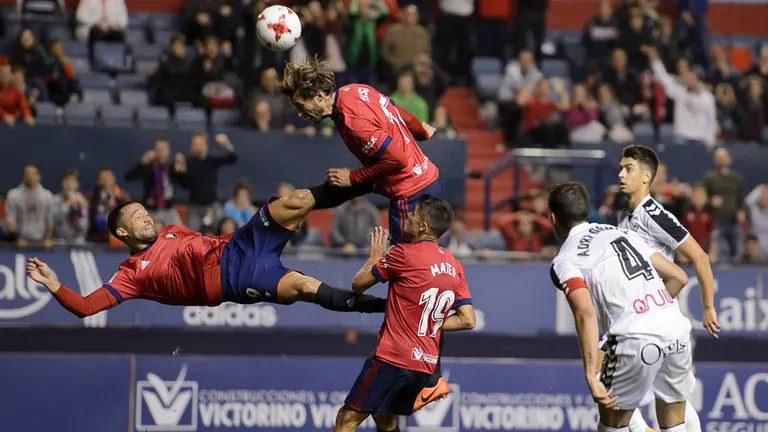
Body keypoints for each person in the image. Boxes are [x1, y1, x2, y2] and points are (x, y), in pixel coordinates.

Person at [279, 56, 451, 409]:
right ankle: (427, 375)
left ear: (318, 94)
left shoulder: (352, 120)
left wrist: (354, 177)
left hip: (408, 197)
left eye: (301, 104)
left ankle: (424, 377)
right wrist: (420, 129)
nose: (300, 113)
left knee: (406, 283)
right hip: (429, 179)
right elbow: (395, 110)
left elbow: (396, 159)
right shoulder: (356, 90)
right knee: (421, 281)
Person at [25, 193, 389, 318]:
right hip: (237, 280)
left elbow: (211, 241)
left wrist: (253, 231)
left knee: (292, 201)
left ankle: (364, 179)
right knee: (306, 288)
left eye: (144, 211)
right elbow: (86, 307)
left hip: (240, 246)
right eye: (136, 216)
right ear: (121, 233)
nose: (146, 216)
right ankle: (384, 307)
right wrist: (53, 283)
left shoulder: (171, 228)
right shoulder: (130, 274)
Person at [548, 182, 695, 432]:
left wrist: (590, 374)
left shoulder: (565, 259)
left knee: (612, 425)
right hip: (676, 330)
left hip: (634, 338)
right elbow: (679, 278)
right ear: (586, 210)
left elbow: (584, 312)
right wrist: (649, 309)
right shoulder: (622, 234)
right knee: (675, 423)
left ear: (553, 217)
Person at [335, 196, 476, 432]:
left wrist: (374, 258)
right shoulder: (454, 265)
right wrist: (427, 321)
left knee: (346, 419)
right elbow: (468, 320)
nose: (408, 217)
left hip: (393, 358)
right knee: (384, 417)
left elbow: (358, 284)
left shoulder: (403, 254)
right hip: (424, 366)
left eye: (413, 214)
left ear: (423, 226)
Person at [616, 145, 721, 432]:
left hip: (650, 321)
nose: (621, 174)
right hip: (653, 318)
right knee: (675, 402)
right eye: (621, 168)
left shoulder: (653, 213)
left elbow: (699, 257)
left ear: (646, 177)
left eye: (628, 169)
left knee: (609, 389)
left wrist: (708, 307)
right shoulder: (624, 215)